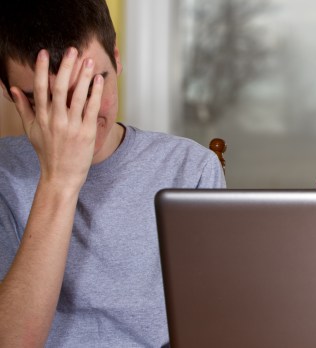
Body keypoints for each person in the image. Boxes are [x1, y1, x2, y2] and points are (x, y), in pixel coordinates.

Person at [0, 0, 225, 346]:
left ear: (117, 58)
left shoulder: (190, 168)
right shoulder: (4, 174)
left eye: (90, 87)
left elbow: (214, 325)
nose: (75, 116)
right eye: (43, 99)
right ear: (8, 94)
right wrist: (58, 181)